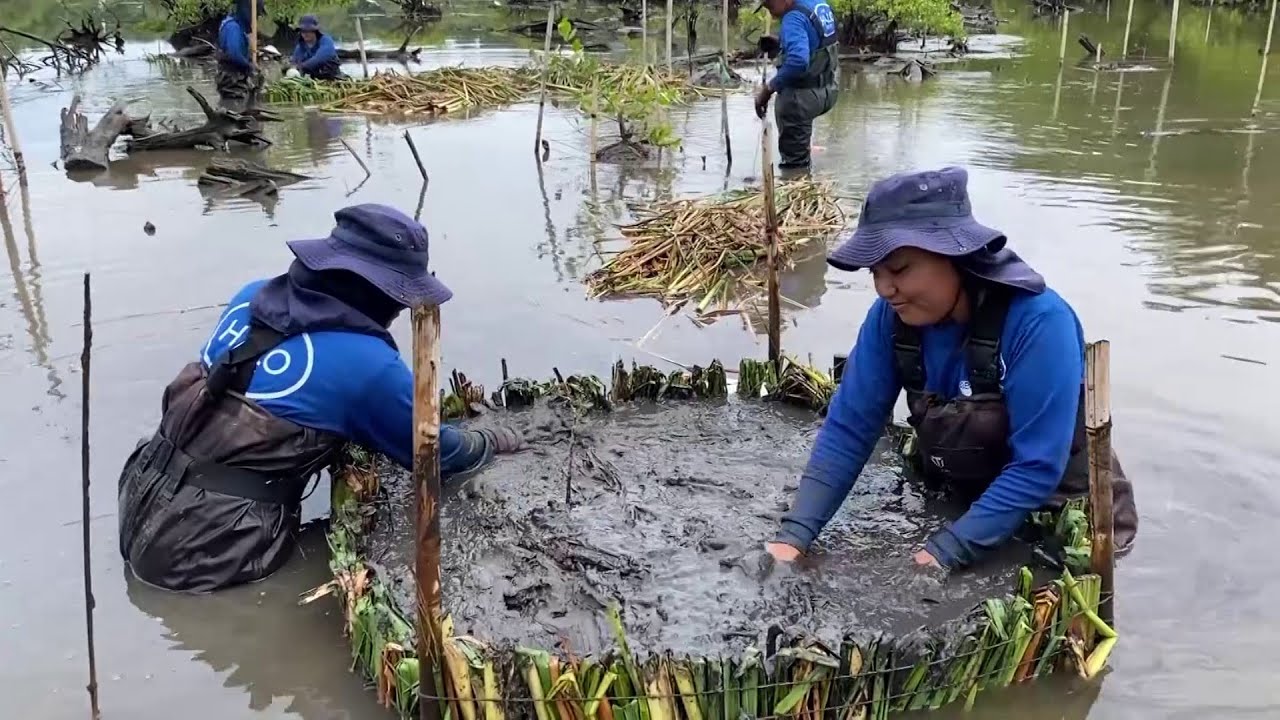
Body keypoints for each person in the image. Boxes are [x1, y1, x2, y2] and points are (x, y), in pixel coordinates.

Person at [117, 204, 524, 594]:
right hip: (209, 551)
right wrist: (491, 441)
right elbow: (438, 455)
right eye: (399, 297)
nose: (401, 310)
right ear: (373, 291)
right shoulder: (367, 367)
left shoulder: (251, 294)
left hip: (141, 499)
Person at [765, 167, 1137, 569]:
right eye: (875, 272)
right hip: (966, 502)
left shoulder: (1039, 322)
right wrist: (795, 537)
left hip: (1058, 513)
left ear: (956, 255)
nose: (884, 289)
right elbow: (849, 430)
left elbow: (1036, 466)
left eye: (900, 269)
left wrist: (944, 552)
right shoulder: (889, 320)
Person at [753, 0, 839, 170]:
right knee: (801, 146)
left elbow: (798, 62)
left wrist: (768, 89)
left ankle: (797, 188)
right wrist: (781, 44)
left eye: (770, 6)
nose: (772, 14)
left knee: (794, 165)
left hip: (801, 100)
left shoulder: (793, 18)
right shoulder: (817, 4)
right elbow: (816, 40)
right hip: (828, 90)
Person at [216, 0, 265, 104]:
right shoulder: (233, 28)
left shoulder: (236, 27)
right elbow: (234, 54)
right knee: (236, 106)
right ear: (247, 11)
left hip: (236, 80)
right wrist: (250, 67)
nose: (256, 19)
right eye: (256, 15)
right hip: (232, 81)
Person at [290, 15, 343, 80]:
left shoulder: (326, 41)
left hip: (334, 77)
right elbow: (295, 63)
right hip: (314, 79)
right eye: (303, 31)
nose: (306, 33)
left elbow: (321, 58)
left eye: (309, 30)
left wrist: (302, 66)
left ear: (315, 31)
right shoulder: (300, 47)